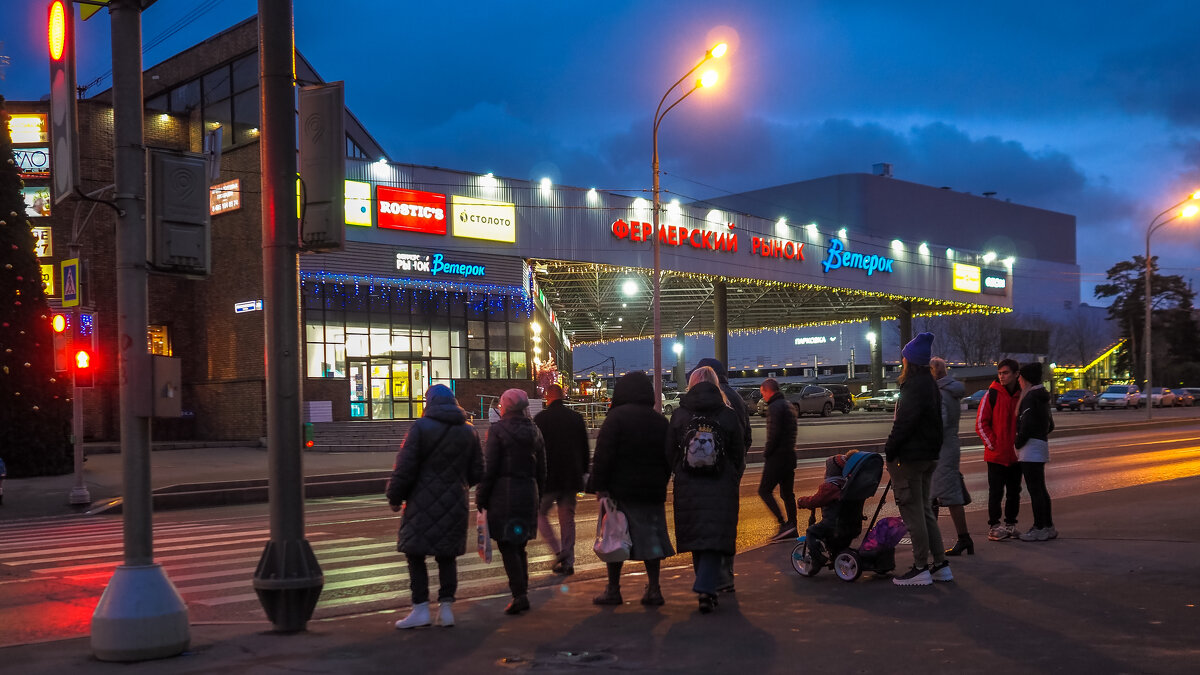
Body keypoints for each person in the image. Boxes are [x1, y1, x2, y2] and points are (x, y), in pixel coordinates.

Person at [386, 384, 484, 629]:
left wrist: (395, 497)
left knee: (415, 554)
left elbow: (405, 467)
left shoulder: (420, 428)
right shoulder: (469, 431)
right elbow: (478, 472)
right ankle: (446, 609)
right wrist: (457, 484)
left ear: (428, 402)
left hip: (421, 501)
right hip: (456, 500)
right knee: (447, 555)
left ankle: (420, 609)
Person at [589, 371, 675, 606]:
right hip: (651, 492)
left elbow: (603, 456)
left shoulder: (616, 418)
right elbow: (669, 457)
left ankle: (613, 589)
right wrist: (661, 481)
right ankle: (654, 588)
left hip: (621, 491)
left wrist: (600, 486)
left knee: (614, 538)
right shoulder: (659, 420)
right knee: (652, 541)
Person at [666, 366, 746, 613]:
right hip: (720, 484)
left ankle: (705, 587)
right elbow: (738, 454)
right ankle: (706, 588)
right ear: (716, 384)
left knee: (697, 537)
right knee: (713, 539)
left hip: (688, 485)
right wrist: (732, 477)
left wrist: (679, 471)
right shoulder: (728, 415)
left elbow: (670, 452)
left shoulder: (680, 415)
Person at [883, 332, 951, 586]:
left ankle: (921, 566)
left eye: (903, 359)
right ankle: (940, 564)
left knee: (913, 513)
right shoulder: (931, 385)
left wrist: (890, 449)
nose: (901, 363)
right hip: (929, 455)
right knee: (924, 510)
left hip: (911, 457)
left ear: (909, 361)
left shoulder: (913, 386)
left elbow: (905, 423)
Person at [477, 388, 546, 615]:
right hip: (528, 492)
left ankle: (520, 594)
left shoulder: (497, 431)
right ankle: (521, 592)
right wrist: (539, 495)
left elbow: (490, 468)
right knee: (520, 546)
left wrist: (481, 497)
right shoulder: (535, 431)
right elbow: (542, 470)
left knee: (508, 547)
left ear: (504, 407)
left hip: (504, 495)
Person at [691, 357, 751, 593]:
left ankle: (705, 579)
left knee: (701, 523)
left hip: (696, 476)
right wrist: (734, 469)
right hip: (728, 474)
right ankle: (725, 576)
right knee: (725, 522)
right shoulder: (734, 399)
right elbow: (745, 439)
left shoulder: (692, 403)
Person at [532, 384, 590, 576]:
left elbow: (535, 450)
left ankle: (559, 552)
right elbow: (584, 448)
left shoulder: (541, 419)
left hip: (549, 478)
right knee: (567, 519)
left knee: (539, 514)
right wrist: (583, 472)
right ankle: (569, 560)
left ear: (547, 397)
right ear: (562, 396)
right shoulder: (576, 418)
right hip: (571, 478)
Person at [976, 358, 1023, 541]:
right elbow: (981, 423)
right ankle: (994, 526)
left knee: (1014, 492)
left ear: (1016, 374)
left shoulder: (1021, 394)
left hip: (1016, 455)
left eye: (1006, 373)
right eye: (1000, 373)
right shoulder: (992, 394)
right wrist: (992, 443)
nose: (1002, 376)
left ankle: (1010, 525)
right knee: (996, 492)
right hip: (996, 455)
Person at [929, 357, 972, 556]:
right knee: (937, 494)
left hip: (942, 450)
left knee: (941, 495)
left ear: (935, 372)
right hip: (947, 448)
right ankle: (945, 539)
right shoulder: (949, 390)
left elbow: (939, 424)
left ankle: (949, 540)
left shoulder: (940, 393)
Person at [1015, 362, 1057, 542]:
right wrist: (1040, 434)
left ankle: (1039, 527)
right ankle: (1048, 526)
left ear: (1026, 379)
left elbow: (1027, 425)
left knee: (1035, 490)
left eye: (1020, 377)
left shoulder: (1030, 398)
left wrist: (1018, 442)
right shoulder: (1042, 397)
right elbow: (1051, 425)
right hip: (1040, 445)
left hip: (1030, 449)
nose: (1018, 380)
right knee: (1041, 488)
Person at [758, 378, 798, 540]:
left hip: (777, 458)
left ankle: (782, 524)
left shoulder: (774, 407)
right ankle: (792, 526)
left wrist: (767, 452)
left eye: (763, 393)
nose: (764, 397)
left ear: (768, 391)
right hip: (790, 456)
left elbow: (773, 434)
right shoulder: (788, 405)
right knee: (787, 494)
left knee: (764, 491)